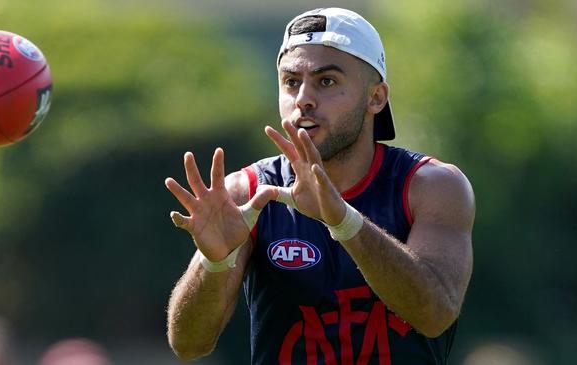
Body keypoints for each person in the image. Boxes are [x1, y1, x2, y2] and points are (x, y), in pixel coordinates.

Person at [165, 7, 474, 365]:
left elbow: (435, 315)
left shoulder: (432, 186)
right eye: (291, 82)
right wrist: (214, 263)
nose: (303, 100)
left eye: (326, 81)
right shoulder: (249, 193)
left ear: (376, 97)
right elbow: (188, 345)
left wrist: (343, 220)